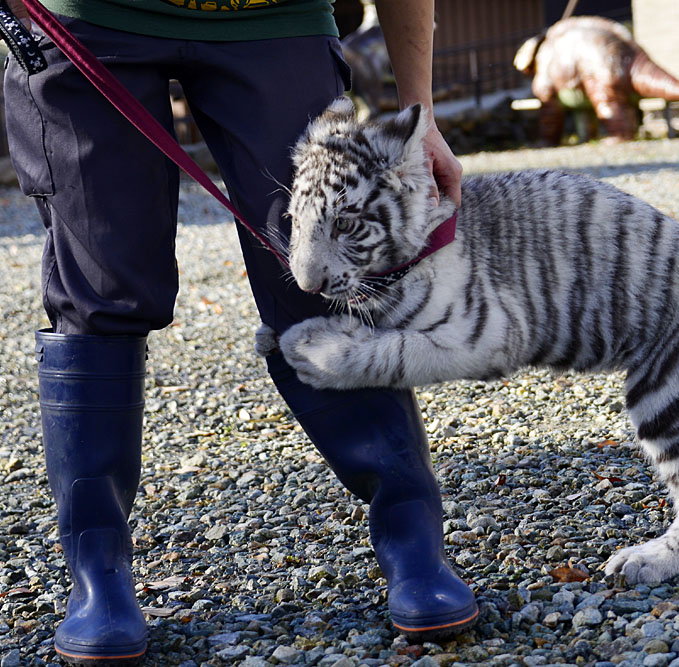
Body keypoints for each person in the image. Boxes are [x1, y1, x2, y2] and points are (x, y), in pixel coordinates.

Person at [2, 1, 477, 663]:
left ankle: (414, 543)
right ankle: (97, 574)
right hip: (87, 15)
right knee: (100, 289)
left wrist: (417, 110)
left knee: (320, 271)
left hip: (272, 16)